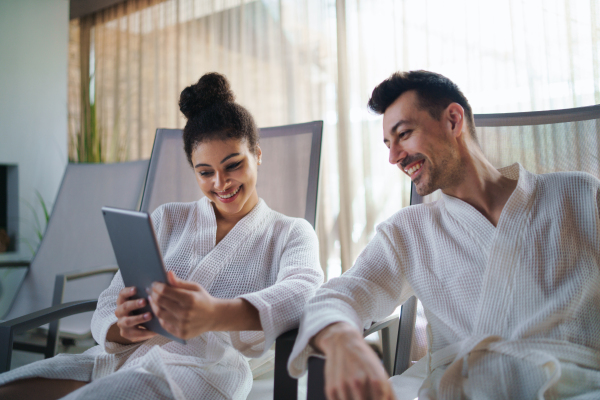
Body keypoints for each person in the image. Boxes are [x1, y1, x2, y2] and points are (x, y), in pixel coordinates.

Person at [0, 72, 323, 400]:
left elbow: (305, 293)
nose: (220, 183)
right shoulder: (167, 218)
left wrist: (213, 314)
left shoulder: (291, 232)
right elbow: (110, 301)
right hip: (114, 359)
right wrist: (122, 327)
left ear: (257, 153)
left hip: (201, 372)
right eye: (205, 172)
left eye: (234, 165)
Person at [288, 70, 600, 400]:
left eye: (404, 134)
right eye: (388, 144)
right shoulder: (408, 231)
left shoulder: (578, 195)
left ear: (453, 120)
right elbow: (339, 295)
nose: (394, 157)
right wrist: (343, 340)